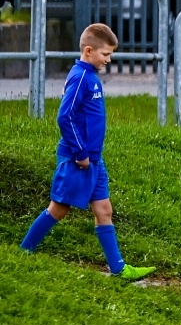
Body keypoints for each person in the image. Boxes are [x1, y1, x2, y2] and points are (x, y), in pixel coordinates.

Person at [18, 23, 156, 280]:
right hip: (77, 159)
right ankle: (22, 252)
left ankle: (119, 269)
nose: (109, 59)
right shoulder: (80, 77)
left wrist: (90, 155)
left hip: (94, 160)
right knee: (59, 209)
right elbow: (65, 117)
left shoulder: (91, 76)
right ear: (89, 51)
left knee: (104, 209)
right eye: (106, 54)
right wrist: (80, 153)